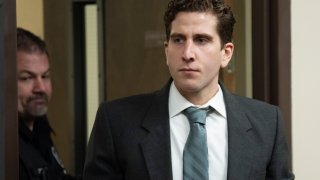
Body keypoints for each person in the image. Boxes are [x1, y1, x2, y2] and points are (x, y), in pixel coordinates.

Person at [83, 0, 295, 179]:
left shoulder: (267, 123)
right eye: (178, 40)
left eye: (201, 40)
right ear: (167, 50)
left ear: (226, 53)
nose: (187, 53)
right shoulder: (116, 121)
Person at [17, 27, 80, 180]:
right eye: (27, 78)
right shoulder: (7, 142)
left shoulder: (40, 127)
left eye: (45, 76)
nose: (41, 88)